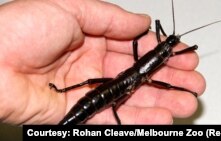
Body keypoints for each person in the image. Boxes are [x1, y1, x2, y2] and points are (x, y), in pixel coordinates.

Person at [0, 0, 205, 125]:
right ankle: (63, 92)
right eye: (168, 46)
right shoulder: (162, 57)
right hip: (117, 88)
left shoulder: (161, 54)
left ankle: (63, 92)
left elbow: (137, 40)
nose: (169, 46)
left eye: (169, 46)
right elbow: (138, 41)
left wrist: (153, 36)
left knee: (99, 90)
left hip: (117, 85)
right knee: (101, 92)